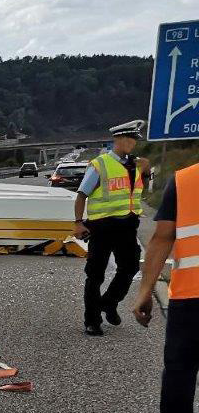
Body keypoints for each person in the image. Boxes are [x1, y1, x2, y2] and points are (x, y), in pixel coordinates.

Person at [133, 162, 199, 413]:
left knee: (181, 366)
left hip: (192, 294)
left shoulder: (185, 181)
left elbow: (162, 238)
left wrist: (145, 292)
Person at [74, 121, 151, 336]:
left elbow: (140, 191)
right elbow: (82, 195)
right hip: (102, 228)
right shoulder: (101, 164)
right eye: (127, 138)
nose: (131, 143)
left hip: (127, 226)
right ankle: (92, 320)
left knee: (130, 267)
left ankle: (109, 302)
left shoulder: (136, 165)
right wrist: (78, 222)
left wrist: (147, 170)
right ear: (116, 139)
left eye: (134, 139)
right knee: (95, 275)